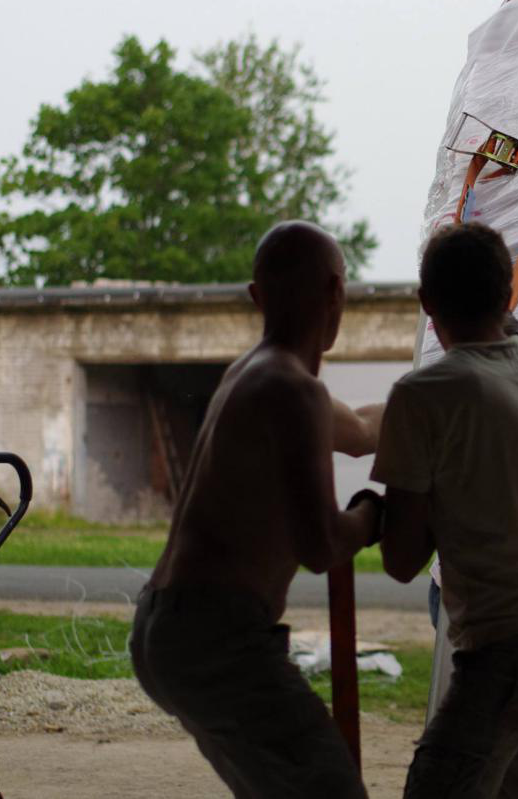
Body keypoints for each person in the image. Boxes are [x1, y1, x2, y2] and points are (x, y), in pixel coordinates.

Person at [130, 221, 379, 799]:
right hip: (214, 636)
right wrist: (372, 514)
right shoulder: (292, 389)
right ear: (337, 292)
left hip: (168, 627)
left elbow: (365, 430)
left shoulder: (253, 373)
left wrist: (433, 399)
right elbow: (320, 547)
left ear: (256, 295)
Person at [366, 221, 518, 798]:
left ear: (426, 304)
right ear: (507, 292)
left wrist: (365, 513)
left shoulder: (424, 395)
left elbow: (402, 558)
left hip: (509, 644)